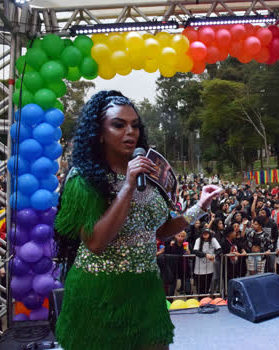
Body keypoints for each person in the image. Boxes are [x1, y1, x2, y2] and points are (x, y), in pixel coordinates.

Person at [53, 91, 222, 350]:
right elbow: (96, 242)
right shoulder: (83, 179)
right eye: (118, 125)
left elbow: (163, 230)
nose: (130, 131)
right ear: (99, 133)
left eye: (135, 125)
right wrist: (128, 186)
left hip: (146, 290)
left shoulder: (149, 175)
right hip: (100, 294)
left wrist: (199, 206)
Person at [193, 228, 222, 295]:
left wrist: (213, 256)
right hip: (199, 268)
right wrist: (205, 255)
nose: (205, 234)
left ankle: (206, 300)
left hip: (209, 268)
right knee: (200, 288)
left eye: (207, 233)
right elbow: (195, 251)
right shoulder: (198, 240)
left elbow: (219, 249)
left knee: (207, 286)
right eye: (204, 233)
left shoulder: (213, 240)